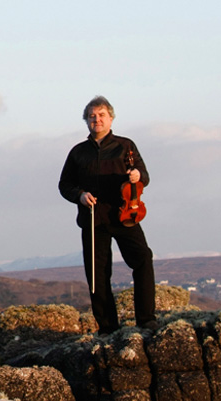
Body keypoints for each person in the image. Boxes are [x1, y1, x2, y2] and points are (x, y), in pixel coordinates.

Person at [59, 96, 157, 334]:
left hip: (125, 215)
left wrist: (137, 176)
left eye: (101, 115)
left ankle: (146, 319)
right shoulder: (78, 153)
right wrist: (80, 195)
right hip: (93, 219)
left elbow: (144, 175)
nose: (97, 119)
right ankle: (107, 327)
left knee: (143, 259)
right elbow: (64, 185)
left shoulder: (126, 146)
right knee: (97, 275)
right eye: (92, 116)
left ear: (111, 118)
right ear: (87, 121)